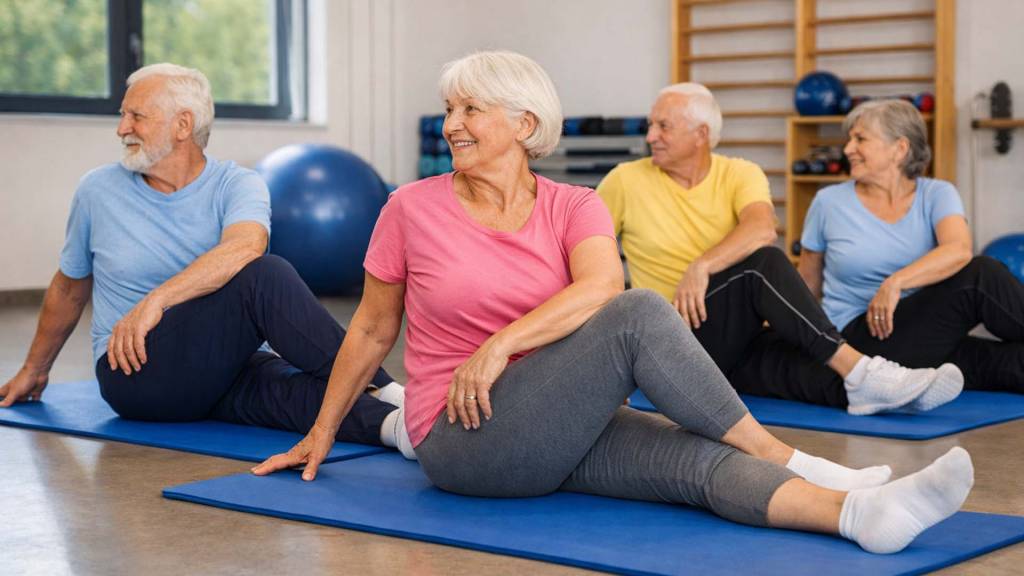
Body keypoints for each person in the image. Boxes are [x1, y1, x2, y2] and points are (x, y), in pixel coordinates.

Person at [253, 51, 973, 555]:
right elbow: (374, 326)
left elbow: (597, 285)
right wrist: (322, 430)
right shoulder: (410, 207)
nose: (453, 123)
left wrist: (501, 344)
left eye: (472, 107)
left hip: (557, 413)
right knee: (638, 315)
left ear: (525, 124)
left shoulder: (573, 206)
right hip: (464, 436)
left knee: (695, 463)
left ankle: (857, 514)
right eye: (450, 108)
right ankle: (797, 458)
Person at [0, 63, 410, 454]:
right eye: (123, 115)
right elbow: (69, 289)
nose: (122, 128)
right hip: (135, 374)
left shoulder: (237, 184)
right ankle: (391, 390)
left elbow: (245, 245)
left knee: (290, 391)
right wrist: (34, 369)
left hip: (216, 367)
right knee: (264, 276)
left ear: (183, 125)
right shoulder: (97, 190)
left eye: (136, 116)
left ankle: (405, 430)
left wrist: (156, 299)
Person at [596, 83, 963, 415]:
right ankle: (863, 369)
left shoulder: (739, 173)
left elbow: (761, 227)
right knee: (761, 266)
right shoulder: (624, 181)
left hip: (733, 335)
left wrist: (702, 265)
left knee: (814, 373)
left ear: (701, 134)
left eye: (663, 126)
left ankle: (884, 391)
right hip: (673, 335)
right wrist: (604, 366)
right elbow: (585, 264)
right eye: (651, 125)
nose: (650, 136)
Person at [799, 98, 1024, 394]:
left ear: (899, 149)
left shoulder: (937, 194)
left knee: (1012, 363)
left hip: (928, 334)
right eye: (849, 139)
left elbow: (958, 249)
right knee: (979, 278)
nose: (848, 149)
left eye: (860, 139)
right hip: (860, 340)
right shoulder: (828, 202)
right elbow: (804, 286)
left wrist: (896, 282)